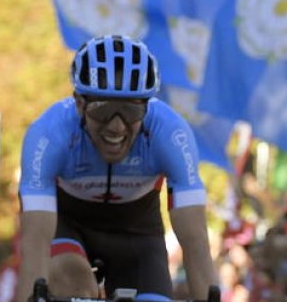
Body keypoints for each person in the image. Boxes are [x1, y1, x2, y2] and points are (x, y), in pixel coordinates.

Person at [16, 35, 216, 302]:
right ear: (79, 104)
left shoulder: (170, 134)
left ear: (146, 107)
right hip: (68, 225)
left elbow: (196, 242)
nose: (116, 126)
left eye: (130, 111)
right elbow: (36, 243)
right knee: (74, 286)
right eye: (103, 109)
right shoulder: (49, 134)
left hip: (138, 235)